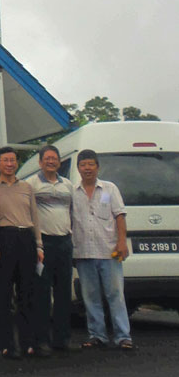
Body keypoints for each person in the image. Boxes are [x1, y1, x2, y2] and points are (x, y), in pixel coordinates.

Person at [72, 148, 133, 350]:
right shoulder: (73, 192)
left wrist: (122, 242)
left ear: (97, 166)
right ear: (78, 168)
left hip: (109, 251)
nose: (87, 168)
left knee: (115, 295)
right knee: (90, 297)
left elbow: (120, 216)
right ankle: (97, 335)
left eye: (91, 164)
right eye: (83, 165)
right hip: (83, 253)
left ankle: (123, 336)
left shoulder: (110, 189)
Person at [0, 146, 43, 359]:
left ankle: (29, 342)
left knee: (27, 293)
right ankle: (6, 344)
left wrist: (39, 245)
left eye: (13, 160)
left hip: (26, 238)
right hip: (4, 238)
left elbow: (35, 218)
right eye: (5, 160)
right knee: (3, 294)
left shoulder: (27, 187)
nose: (10, 164)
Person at [28, 144, 74, 355]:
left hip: (64, 242)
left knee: (64, 292)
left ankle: (62, 339)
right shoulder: (31, 184)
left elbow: (73, 212)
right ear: (40, 162)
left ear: (59, 161)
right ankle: (42, 340)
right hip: (43, 244)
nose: (51, 161)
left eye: (54, 158)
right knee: (42, 293)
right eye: (46, 158)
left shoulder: (68, 185)